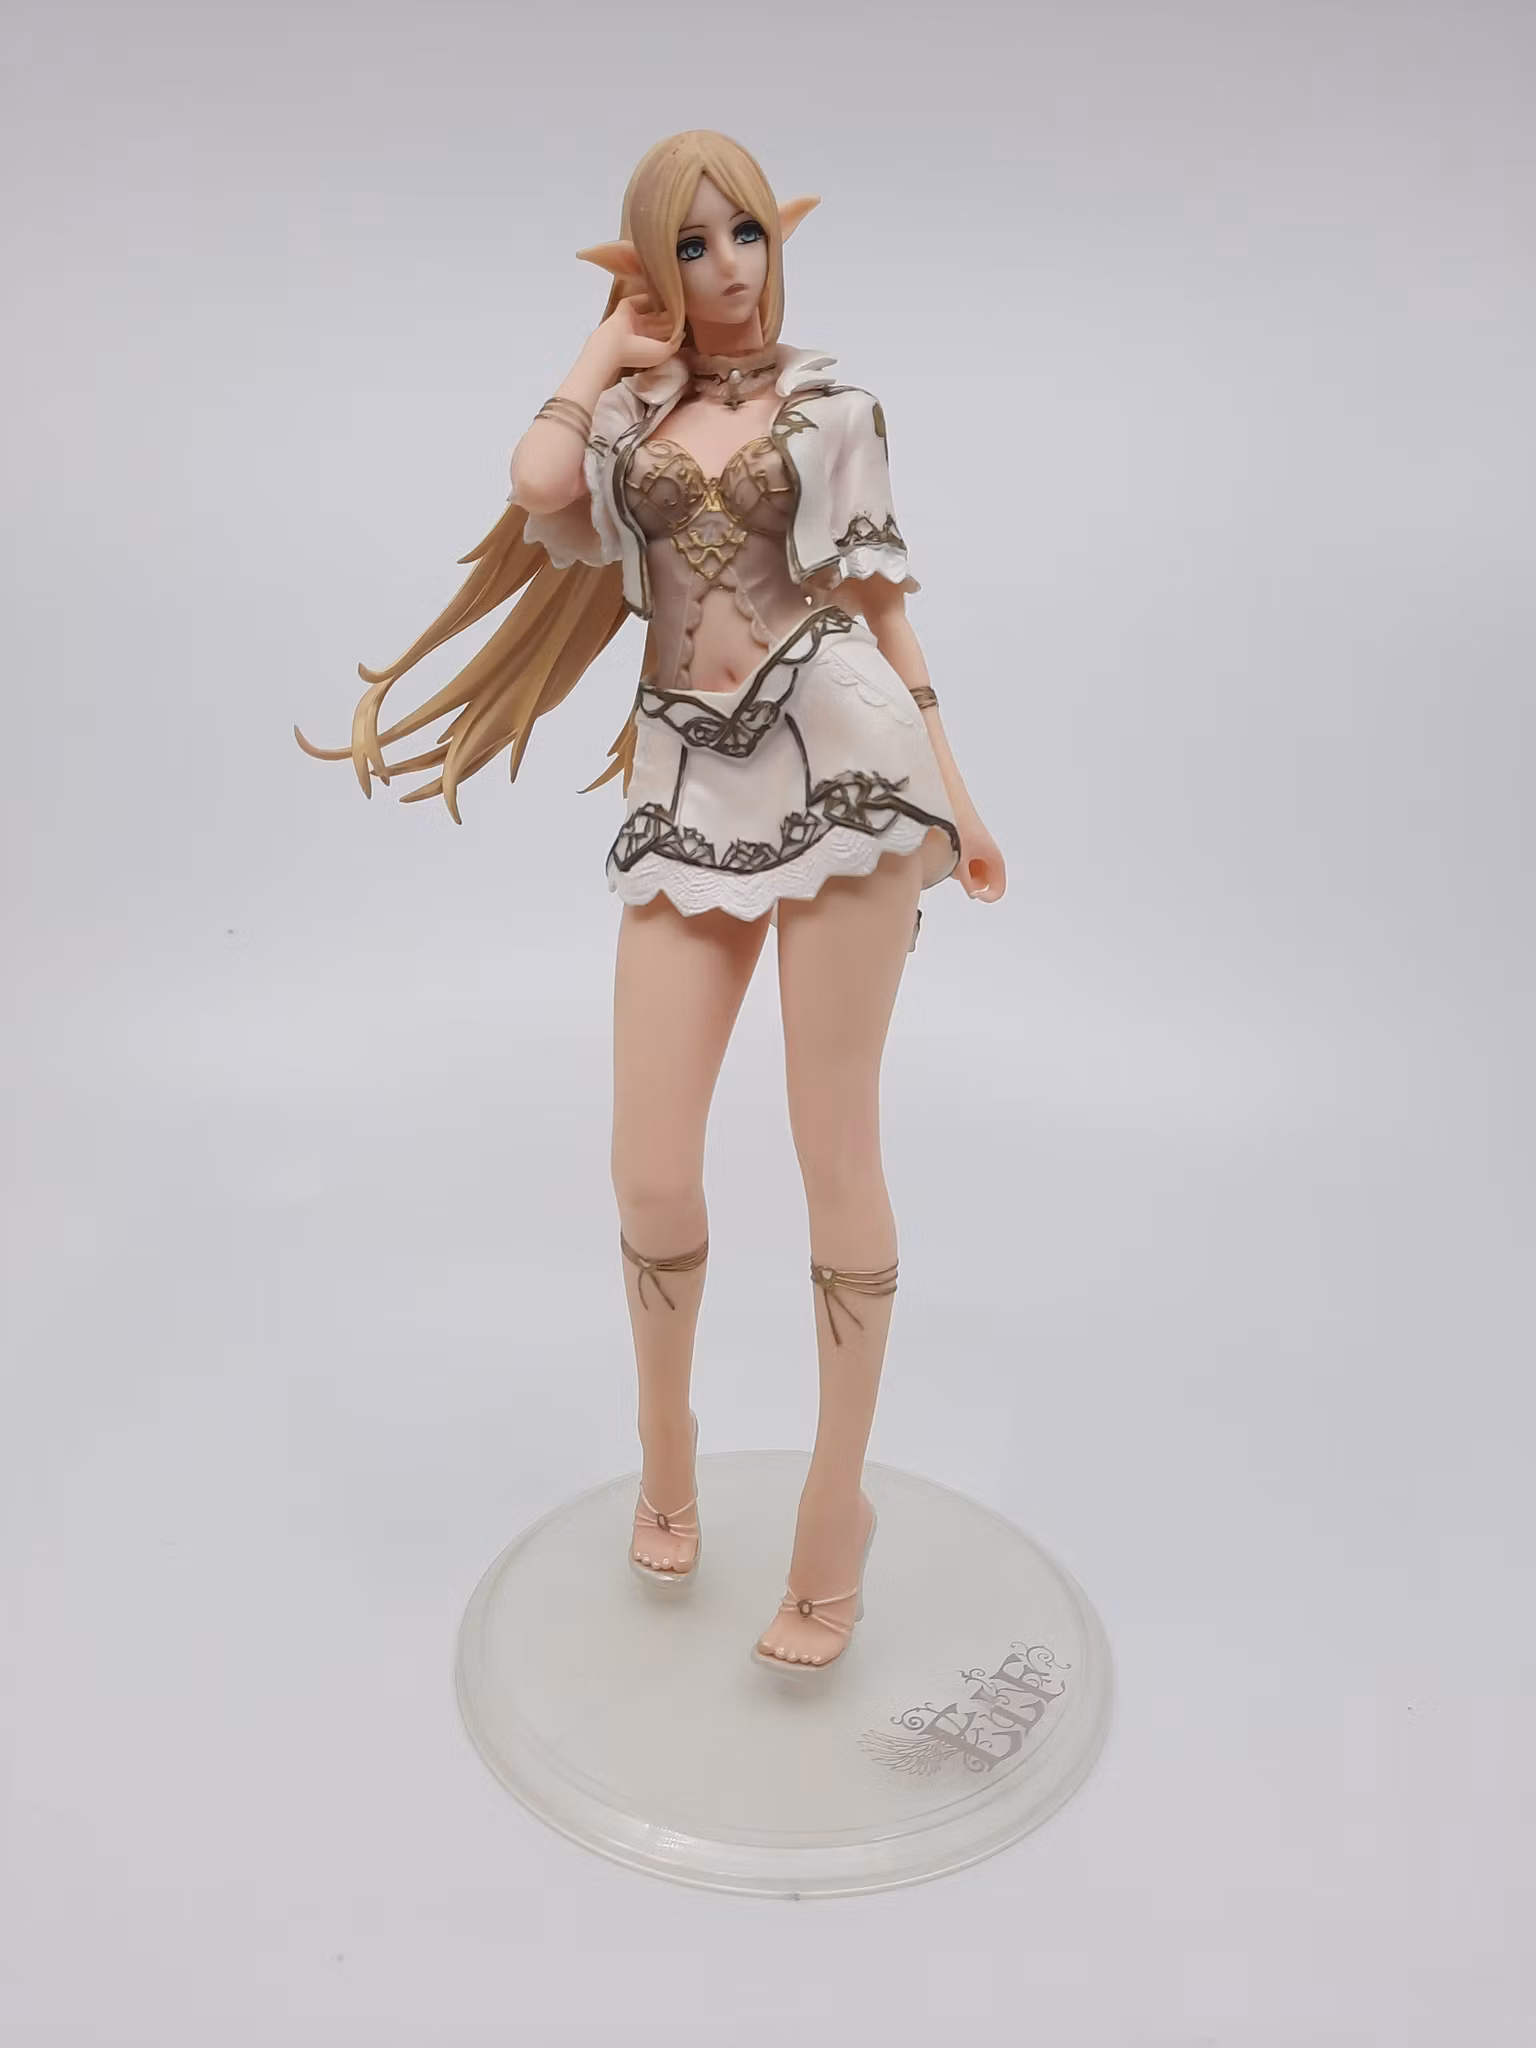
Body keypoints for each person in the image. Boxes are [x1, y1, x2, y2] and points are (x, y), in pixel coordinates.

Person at [296, 128, 1007, 1677]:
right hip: (684, 783)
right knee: (650, 1168)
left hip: (847, 767)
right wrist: (603, 345)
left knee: (834, 1146)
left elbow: (882, 607)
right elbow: (536, 481)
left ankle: (833, 1517)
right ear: (651, 262)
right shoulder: (627, 419)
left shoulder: (836, 408)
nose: (728, 266)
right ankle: (664, 1448)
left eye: (745, 232)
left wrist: (957, 789)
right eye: (691, 243)